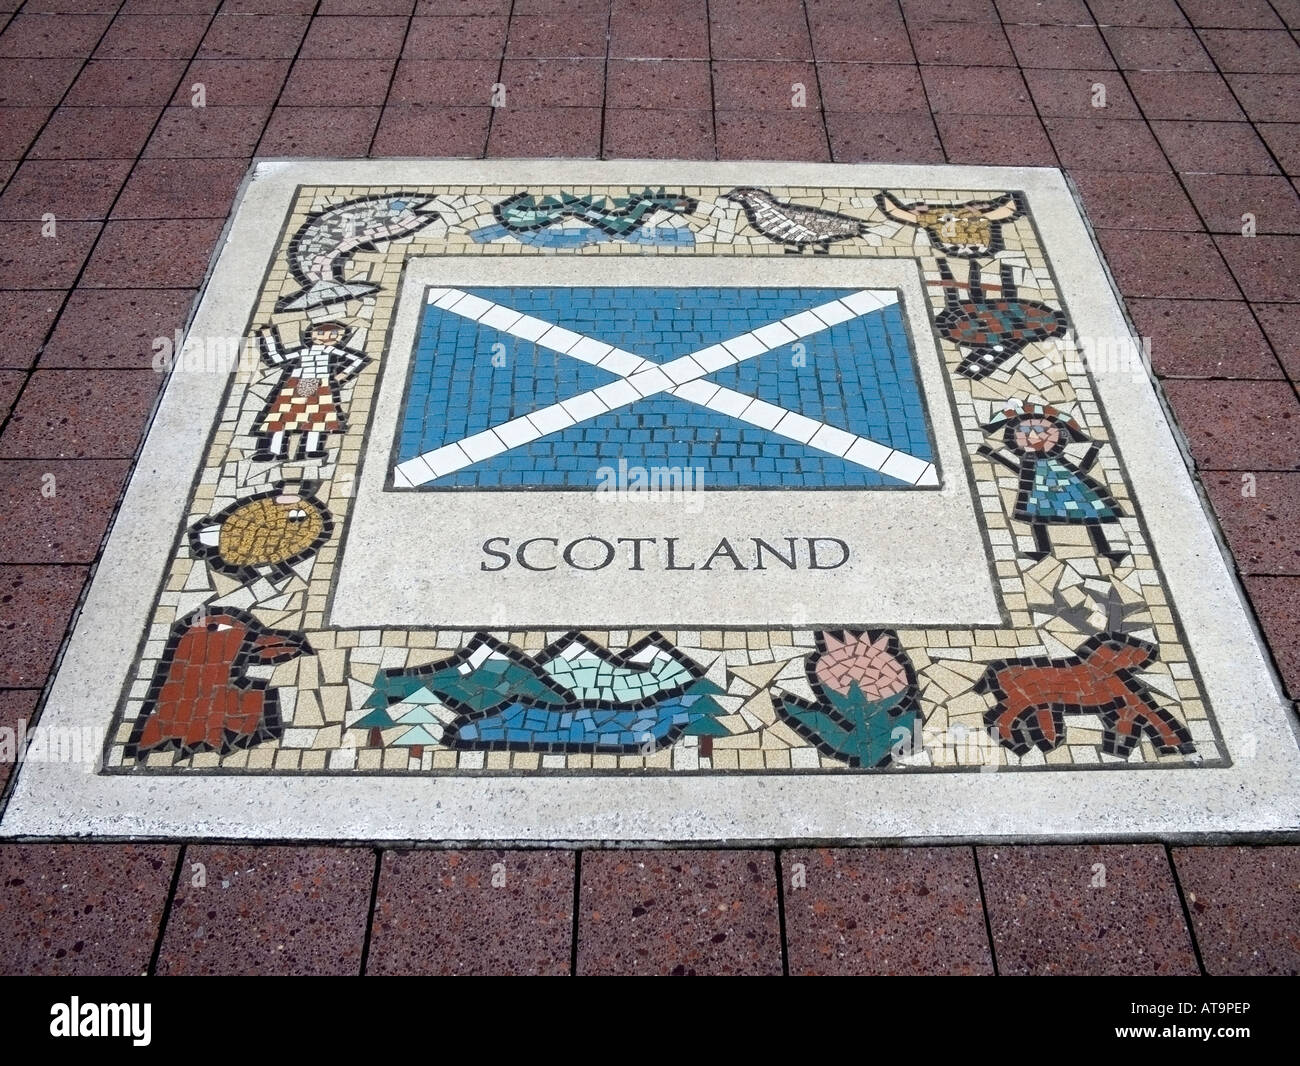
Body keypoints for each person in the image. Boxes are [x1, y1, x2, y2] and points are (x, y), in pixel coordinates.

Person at [977, 401, 1126, 562]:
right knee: (1037, 518)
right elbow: (1017, 470)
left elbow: (1082, 467)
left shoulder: (1058, 460)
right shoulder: (1029, 461)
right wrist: (993, 455)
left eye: (1042, 433)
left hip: (1073, 488)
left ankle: (1106, 550)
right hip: (1038, 492)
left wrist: (1094, 449)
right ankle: (1043, 550)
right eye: (1026, 434)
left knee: (1091, 515)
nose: (1033, 437)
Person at [251, 321, 368, 462]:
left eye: (335, 334)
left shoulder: (331, 351)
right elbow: (276, 358)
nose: (327, 337)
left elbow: (358, 359)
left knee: (317, 418)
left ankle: (311, 449)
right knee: (282, 418)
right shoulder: (304, 351)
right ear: (311, 335)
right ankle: (274, 450)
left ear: (340, 338)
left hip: (320, 385)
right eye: (320, 333)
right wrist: (268, 337)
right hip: (295, 384)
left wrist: (343, 374)